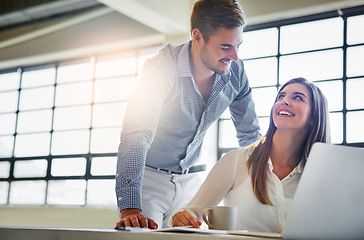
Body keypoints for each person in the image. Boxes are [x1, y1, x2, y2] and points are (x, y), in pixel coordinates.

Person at [115, 0, 261, 229]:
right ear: (198, 36)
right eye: (225, 47)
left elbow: (250, 134)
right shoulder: (161, 68)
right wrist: (130, 208)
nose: (234, 56)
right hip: (150, 181)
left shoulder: (236, 73)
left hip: (193, 183)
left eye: (238, 46)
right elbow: (137, 134)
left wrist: (264, 192)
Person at [171, 77, 331, 233]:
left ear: (313, 116)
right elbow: (192, 213)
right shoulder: (235, 161)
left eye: (297, 98)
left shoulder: (319, 177)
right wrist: (183, 219)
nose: (285, 101)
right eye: (281, 96)